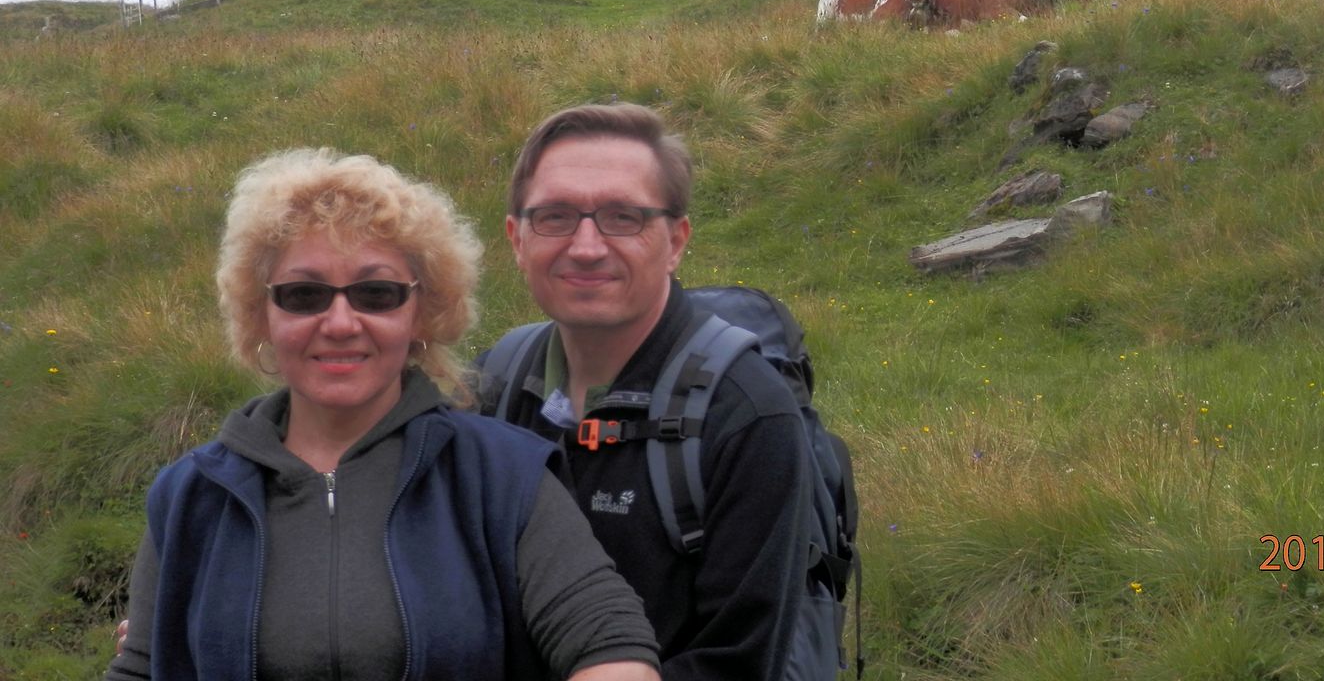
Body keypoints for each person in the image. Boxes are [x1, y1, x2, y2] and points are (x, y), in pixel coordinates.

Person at [109, 148, 659, 681]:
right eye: (304, 295)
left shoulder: (503, 475)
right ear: (262, 315)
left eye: (377, 294)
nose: (342, 322)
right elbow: (144, 665)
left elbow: (609, 643)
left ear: (423, 310)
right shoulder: (191, 494)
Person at [491, 103, 810, 679]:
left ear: (676, 240)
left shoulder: (747, 415)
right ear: (516, 239)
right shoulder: (494, 385)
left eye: (623, 217)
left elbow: (738, 662)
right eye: (556, 217)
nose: (586, 247)